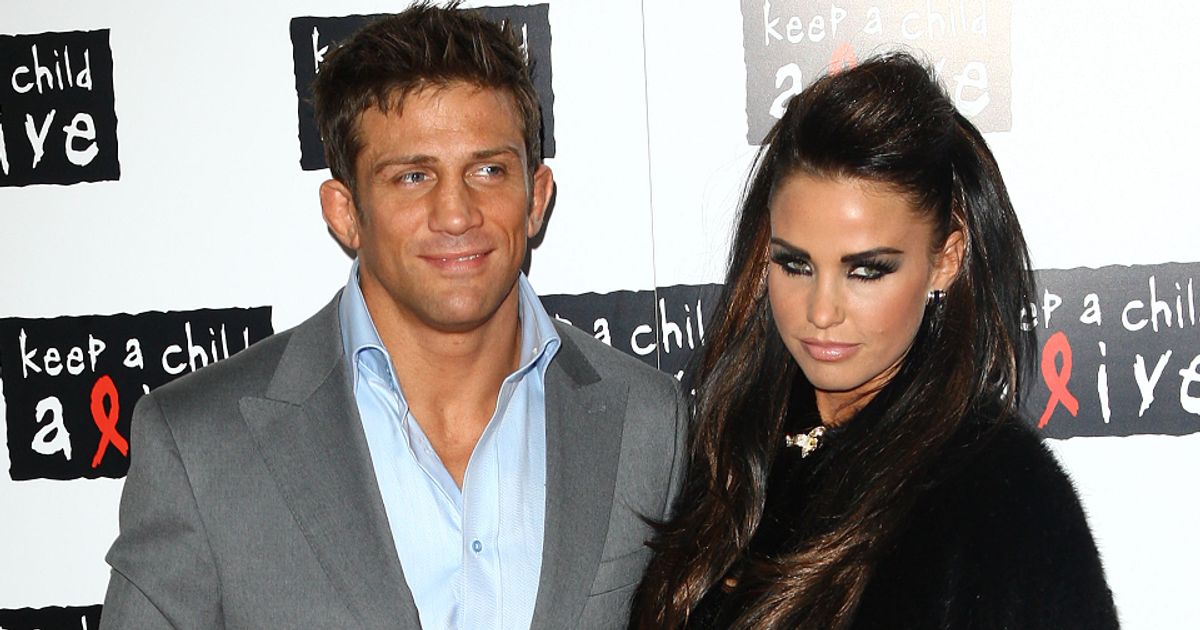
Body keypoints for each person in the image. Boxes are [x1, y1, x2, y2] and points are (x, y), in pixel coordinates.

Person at [101, 4, 685, 628]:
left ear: (536, 197)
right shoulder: (201, 444)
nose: (456, 214)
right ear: (345, 212)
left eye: (488, 170)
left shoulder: (649, 423)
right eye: (412, 177)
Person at [630, 53, 1119, 629]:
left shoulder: (1001, 498)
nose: (821, 311)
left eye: (866, 270)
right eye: (795, 264)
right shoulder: (727, 452)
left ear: (946, 259)